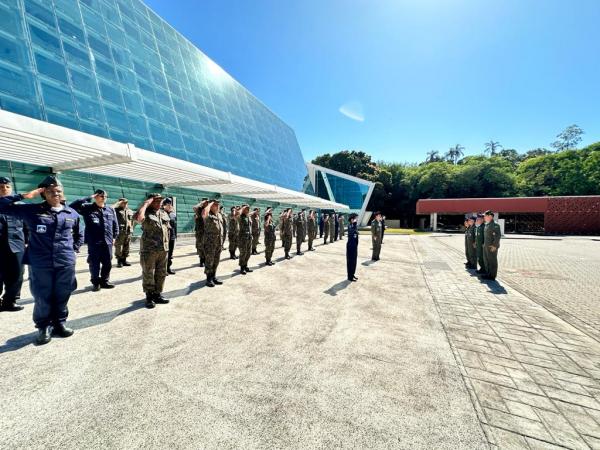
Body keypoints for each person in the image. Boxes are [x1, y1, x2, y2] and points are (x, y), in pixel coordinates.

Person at [0, 176, 83, 345]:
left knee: (63, 294)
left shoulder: (71, 213)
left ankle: (59, 323)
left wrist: (74, 249)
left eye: (59, 190)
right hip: (40, 263)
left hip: (65, 262)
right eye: (51, 191)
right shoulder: (31, 210)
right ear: (43, 193)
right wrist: (25, 195)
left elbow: (79, 233)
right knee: (42, 296)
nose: (56, 194)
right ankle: (43, 327)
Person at [70, 189, 119, 291]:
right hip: (94, 242)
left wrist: (114, 237)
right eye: (100, 196)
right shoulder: (87, 208)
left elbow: (115, 225)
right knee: (94, 263)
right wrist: (90, 197)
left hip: (108, 241)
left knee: (107, 263)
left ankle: (105, 281)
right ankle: (95, 282)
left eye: (105, 196)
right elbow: (73, 206)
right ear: (96, 197)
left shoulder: (110, 210)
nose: (103, 197)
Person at [134, 193, 171, 308]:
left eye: (160, 200)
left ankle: (157, 295)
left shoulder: (163, 213)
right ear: (150, 201)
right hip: (149, 250)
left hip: (163, 250)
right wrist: (146, 204)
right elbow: (139, 219)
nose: (159, 202)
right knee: (148, 273)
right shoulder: (144, 212)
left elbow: (167, 230)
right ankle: (149, 297)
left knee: (161, 273)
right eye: (155, 200)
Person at [0, 176, 25, 312]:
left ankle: (10, 301)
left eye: (7, 187)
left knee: (17, 274)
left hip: (17, 245)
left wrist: (28, 243)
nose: (4, 189)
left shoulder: (19, 208)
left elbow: (28, 227)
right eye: (1, 187)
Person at [203, 199, 223, 287]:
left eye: (218, 205)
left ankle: (214, 276)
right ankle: (208, 279)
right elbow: (204, 213)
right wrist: (210, 204)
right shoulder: (208, 215)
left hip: (219, 243)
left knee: (216, 261)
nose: (217, 206)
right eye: (215, 205)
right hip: (210, 243)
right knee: (209, 261)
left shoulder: (219, 215)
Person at [482, 210, 501, 280]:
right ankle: (488, 273)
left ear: (490, 216)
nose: (484, 217)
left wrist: (495, 246)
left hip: (491, 247)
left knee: (492, 261)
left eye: (485, 216)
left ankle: (492, 275)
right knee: (486, 260)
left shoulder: (495, 225)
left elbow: (497, 236)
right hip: (486, 246)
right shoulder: (487, 224)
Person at [114, 198, 134, 267]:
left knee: (127, 246)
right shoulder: (115, 211)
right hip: (120, 232)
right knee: (119, 247)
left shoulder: (130, 211)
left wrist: (131, 230)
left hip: (128, 232)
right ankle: (119, 261)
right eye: (123, 202)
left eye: (126, 203)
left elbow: (132, 221)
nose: (125, 204)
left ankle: (124, 260)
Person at [163, 198, 177, 275]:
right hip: (164, 238)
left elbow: (174, 226)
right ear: (164, 205)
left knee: (170, 255)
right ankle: (163, 270)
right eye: (168, 204)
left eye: (170, 204)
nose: (169, 206)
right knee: (164, 254)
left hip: (172, 237)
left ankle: (168, 268)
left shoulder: (173, 214)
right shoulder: (161, 213)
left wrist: (175, 236)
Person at [237, 204, 253, 274]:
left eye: (248, 208)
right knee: (243, 253)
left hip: (249, 237)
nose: (248, 209)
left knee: (248, 253)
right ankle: (242, 267)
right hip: (242, 238)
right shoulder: (240, 217)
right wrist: (243, 208)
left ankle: (245, 265)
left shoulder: (248, 217)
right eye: (246, 209)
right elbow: (237, 213)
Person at [194, 199, 208, 267]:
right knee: (200, 246)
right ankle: (201, 260)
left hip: (207, 231)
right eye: (205, 202)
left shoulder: (208, 210)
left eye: (207, 202)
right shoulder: (199, 209)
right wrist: (201, 203)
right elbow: (194, 208)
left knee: (206, 246)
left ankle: (205, 260)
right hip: (200, 231)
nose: (206, 203)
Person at [346, 213, 359, 282]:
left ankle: (352, 274)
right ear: (352, 219)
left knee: (354, 261)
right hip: (350, 246)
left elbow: (356, 234)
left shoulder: (354, 225)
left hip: (354, 246)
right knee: (350, 261)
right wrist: (354, 225)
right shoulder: (350, 226)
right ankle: (350, 276)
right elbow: (351, 233)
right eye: (355, 218)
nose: (356, 220)